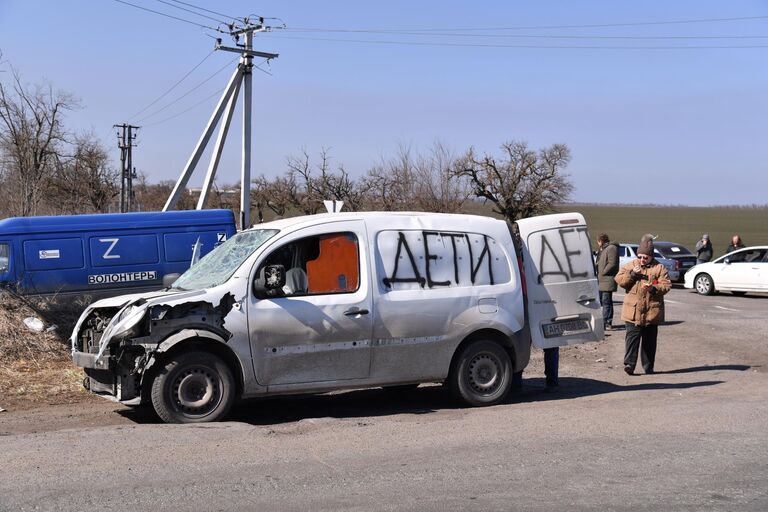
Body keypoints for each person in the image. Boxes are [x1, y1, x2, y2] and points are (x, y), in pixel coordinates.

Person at [615, 234, 671, 375]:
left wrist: (653, 288)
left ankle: (648, 366)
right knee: (631, 340)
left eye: (645, 257)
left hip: (651, 312)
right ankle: (629, 365)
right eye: (640, 256)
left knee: (649, 342)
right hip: (632, 312)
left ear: (651, 256)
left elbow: (666, 286)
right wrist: (632, 275)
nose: (642, 260)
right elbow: (620, 280)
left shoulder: (659, 268)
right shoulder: (631, 265)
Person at [595, 233, 619, 330]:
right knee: (604, 301)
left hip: (607, 279)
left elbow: (612, 263)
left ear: (600, 241)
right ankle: (605, 321)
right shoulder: (604, 249)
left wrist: (603, 271)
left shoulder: (611, 248)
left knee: (606, 301)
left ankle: (607, 322)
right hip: (602, 280)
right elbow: (600, 262)